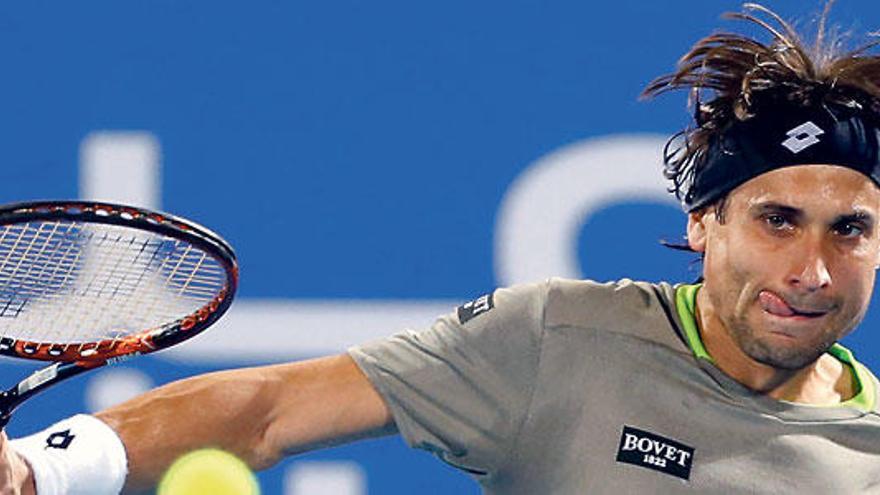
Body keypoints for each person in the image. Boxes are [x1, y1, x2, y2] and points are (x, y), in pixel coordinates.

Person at [5, 3, 880, 493]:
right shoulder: (560, 341)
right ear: (704, 222)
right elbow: (269, 409)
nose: (810, 272)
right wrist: (43, 468)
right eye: (776, 220)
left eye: (850, 230)